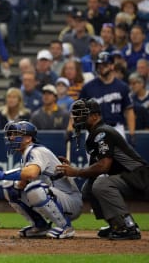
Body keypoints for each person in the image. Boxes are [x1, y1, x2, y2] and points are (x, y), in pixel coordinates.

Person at [57, 99, 147, 240]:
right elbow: (95, 169)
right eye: (76, 115)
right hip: (127, 177)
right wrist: (72, 168)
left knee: (102, 184)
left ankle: (128, 227)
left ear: (95, 116)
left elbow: (103, 166)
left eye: (81, 115)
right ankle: (116, 224)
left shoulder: (103, 133)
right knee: (90, 186)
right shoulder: (94, 135)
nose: (77, 119)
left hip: (140, 177)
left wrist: (76, 171)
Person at [0, 120, 82, 238]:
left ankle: (65, 227)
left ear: (28, 138)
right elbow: (22, 182)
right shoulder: (26, 155)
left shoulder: (37, 151)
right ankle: (39, 226)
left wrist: (0, 174)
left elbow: (32, 173)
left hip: (70, 201)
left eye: (16, 134)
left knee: (35, 189)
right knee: (10, 185)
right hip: (57, 197)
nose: (12, 138)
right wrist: (16, 186)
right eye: (11, 135)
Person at [77, 51, 135, 141]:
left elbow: (129, 110)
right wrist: (72, 128)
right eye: (99, 65)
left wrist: (132, 133)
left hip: (116, 128)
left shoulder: (122, 87)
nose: (101, 67)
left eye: (104, 64)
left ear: (112, 66)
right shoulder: (88, 87)